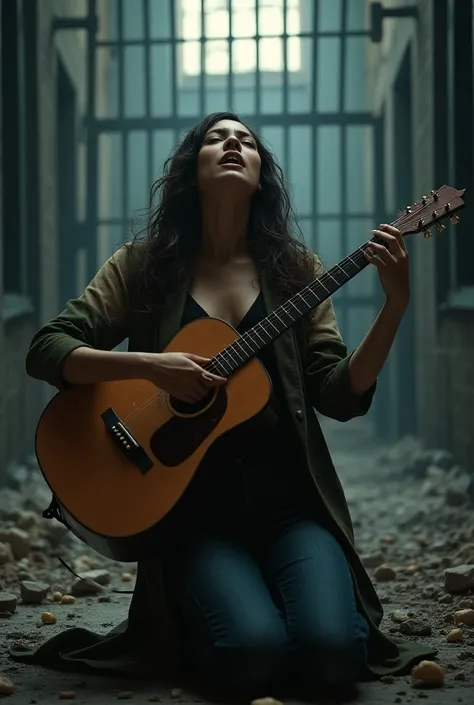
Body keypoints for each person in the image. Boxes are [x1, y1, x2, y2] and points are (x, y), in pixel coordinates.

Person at [12, 112, 437, 698]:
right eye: (217, 138)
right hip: (193, 517)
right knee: (252, 655)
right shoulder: (143, 266)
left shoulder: (298, 273)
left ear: (262, 174)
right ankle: (219, 609)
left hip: (290, 507)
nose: (234, 144)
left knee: (332, 656)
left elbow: (339, 396)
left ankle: (266, 599)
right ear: (192, 169)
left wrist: (394, 307)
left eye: (247, 141)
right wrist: (151, 365)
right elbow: (48, 349)